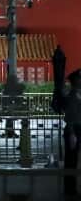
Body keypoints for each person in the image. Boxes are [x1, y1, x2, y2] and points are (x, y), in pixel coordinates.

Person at [64, 69, 81, 198]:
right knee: (71, 161)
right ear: (75, 81)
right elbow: (69, 117)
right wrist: (71, 133)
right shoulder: (72, 95)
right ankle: (70, 188)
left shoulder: (78, 94)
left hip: (78, 129)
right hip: (74, 130)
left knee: (74, 160)